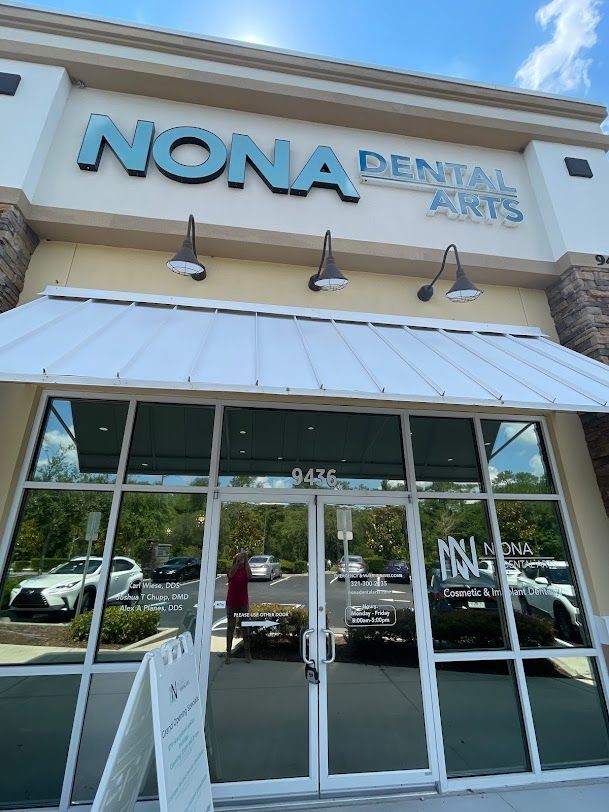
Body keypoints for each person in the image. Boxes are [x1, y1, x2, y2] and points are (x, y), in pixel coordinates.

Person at [225, 551, 252, 664]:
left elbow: (250, 575)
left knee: (245, 629)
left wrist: (245, 560)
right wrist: (237, 562)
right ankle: (228, 655)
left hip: (243, 604)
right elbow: (231, 574)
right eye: (238, 560)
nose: (241, 562)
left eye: (242, 560)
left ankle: (247, 653)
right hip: (231, 603)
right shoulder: (232, 571)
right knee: (230, 629)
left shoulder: (245, 571)